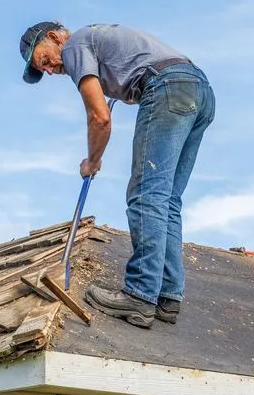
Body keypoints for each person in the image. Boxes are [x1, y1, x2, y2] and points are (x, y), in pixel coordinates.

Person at [18, 21, 216, 328]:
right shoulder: (96, 41)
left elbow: (99, 117)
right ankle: (167, 296)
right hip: (198, 90)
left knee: (145, 195)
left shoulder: (74, 46)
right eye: (42, 70)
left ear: (55, 37)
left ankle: (139, 293)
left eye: (44, 60)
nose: (49, 70)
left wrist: (92, 160)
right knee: (167, 201)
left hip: (168, 86)